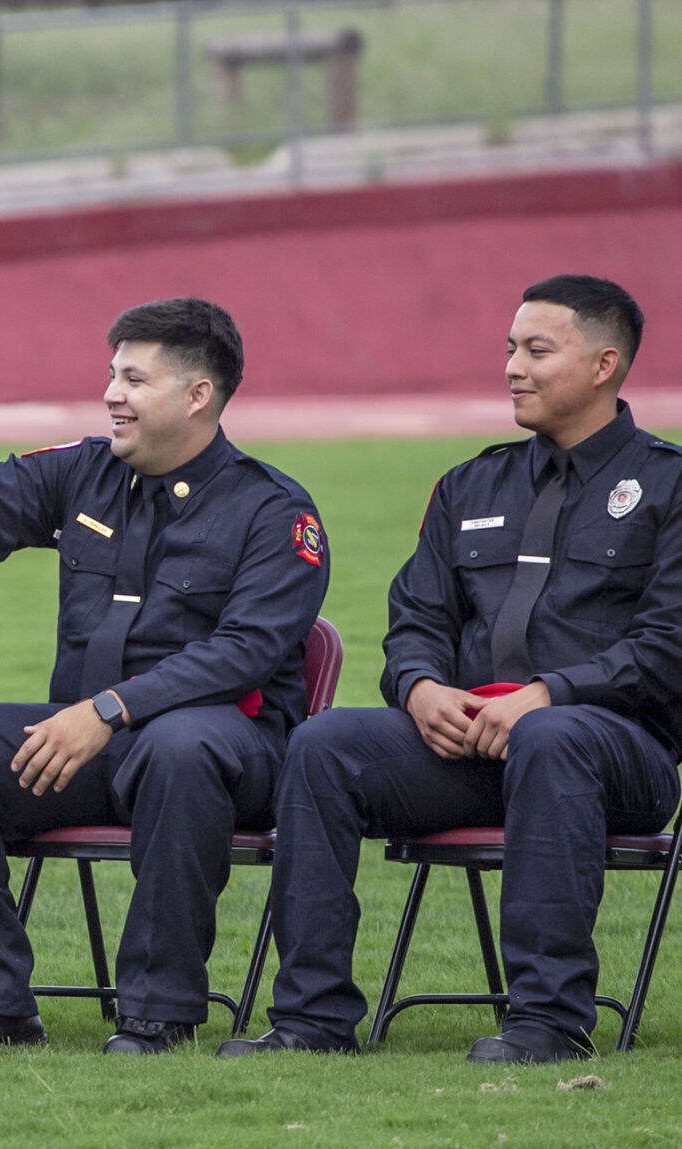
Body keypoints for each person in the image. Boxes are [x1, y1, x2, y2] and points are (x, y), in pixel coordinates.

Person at [222, 275, 682, 1064]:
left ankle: (547, 1022)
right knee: (324, 744)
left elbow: (668, 643)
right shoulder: (471, 481)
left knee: (552, 735)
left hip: (615, 754)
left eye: (537, 350)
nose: (512, 367)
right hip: (470, 748)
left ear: (604, 364)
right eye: (509, 349)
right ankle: (311, 1020)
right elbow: (416, 619)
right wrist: (420, 686)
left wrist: (545, 695)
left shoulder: (669, 484)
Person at [0, 297, 328, 1052]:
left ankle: (157, 1012)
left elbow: (244, 652)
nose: (110, 395)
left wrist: (107, 708)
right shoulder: (85, 471)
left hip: (227, 748)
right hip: (87, 742)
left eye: (133, 379)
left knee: (178, 746)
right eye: (110, 375)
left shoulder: (272, 510)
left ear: (196, 395)